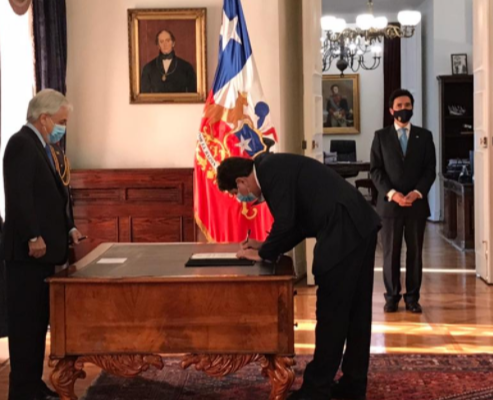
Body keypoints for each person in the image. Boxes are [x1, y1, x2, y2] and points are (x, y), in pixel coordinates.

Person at [216, 153, 381, 400]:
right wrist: (263, 246)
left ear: (241, 182)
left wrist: (264, 255)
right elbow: (297, 224)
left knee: (331, 314)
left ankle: (316, 390)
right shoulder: (270, 167)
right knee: (356, 313)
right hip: (358, 224)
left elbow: (285, 223)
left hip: (344, 230)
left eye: (234, 193)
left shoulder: (269, 172)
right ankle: (353, 385)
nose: (240, 198)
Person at [2, 89, 83, 400]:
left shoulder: (46, 148)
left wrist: (69, 228)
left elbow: (56, 197)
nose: (63, 127)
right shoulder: (21, 144)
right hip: (26, 255)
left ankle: (32, 386)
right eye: (61, 121)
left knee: (37, 325)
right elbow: (20, 196)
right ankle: (22, 389)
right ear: (45, 118)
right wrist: (33, 235)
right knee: (25, 326)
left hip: (42, 254)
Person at [370, 89, 436, 315]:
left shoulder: (424, 136)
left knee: (415, 253)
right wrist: (393, 194)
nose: (403, 109)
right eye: (399, 106)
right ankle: (391, 297)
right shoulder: (381, 137)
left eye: (407, 105)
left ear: (412, 108)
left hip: (416, 205)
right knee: (391, 252)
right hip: (390, 206)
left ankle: (412, 298)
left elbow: (430, 170)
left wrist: (417, 192)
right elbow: (375, 171)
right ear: (391, 110)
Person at [140, 29, 197, 93]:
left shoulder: (186, 67)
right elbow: (144, 97)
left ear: (173, 43)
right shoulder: (148, 68)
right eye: (161, 42)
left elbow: (193, 95)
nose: (165, 44)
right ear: (158, 46)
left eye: (168, 41)